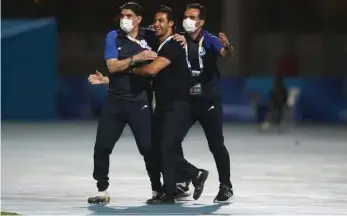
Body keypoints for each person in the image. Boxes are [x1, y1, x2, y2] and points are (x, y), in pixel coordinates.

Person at [132, 5, 208, 204]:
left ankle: (188, 178)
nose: (156, 24)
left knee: (166, 148)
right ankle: (179, 183)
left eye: (161, 21)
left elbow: (152, 70)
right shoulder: (160, 42)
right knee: (159, 147)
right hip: (163, 105)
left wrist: (132, 70)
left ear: (171, 24)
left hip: (178, 104)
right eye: (155, 21)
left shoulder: (173, 45)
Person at [87, 2, 161, 204]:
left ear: (138, 19)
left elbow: (168, 46)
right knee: (102, 146)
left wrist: (179, 37)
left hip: (140, 101)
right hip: (115, 101)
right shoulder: (113, 36)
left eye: (129, 15)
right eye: (122, 15)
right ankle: (102, 190)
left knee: (147, 147)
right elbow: (112, 66)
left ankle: (157, 189)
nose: (124, 19)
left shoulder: (151, 37)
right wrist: (136, 58)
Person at [175, 3, 235, 203]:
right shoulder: (178, 39)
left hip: (208, 100)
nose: (187, 20)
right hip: (186, 100)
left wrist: (227, 46)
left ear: (201, 22)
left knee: (216, 144)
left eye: (192, 17)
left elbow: (226, 54)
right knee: (171, 140)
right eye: (185, 16)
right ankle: (184, 179)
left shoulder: (210, 40)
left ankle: (226, 186)